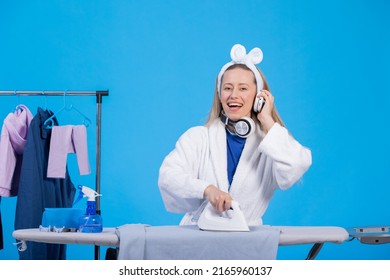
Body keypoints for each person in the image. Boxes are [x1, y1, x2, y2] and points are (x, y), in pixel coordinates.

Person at [158, 44, 312, 226]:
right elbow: (168, 176)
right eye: (228, 88)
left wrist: (268, 121)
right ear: (219, 93)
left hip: (247, 243)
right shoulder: (198, 138)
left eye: (243, 89)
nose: (233, 95)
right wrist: (206, 189)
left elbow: (298, 163)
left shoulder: (270, 145)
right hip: (196, 239)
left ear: (259, 97)